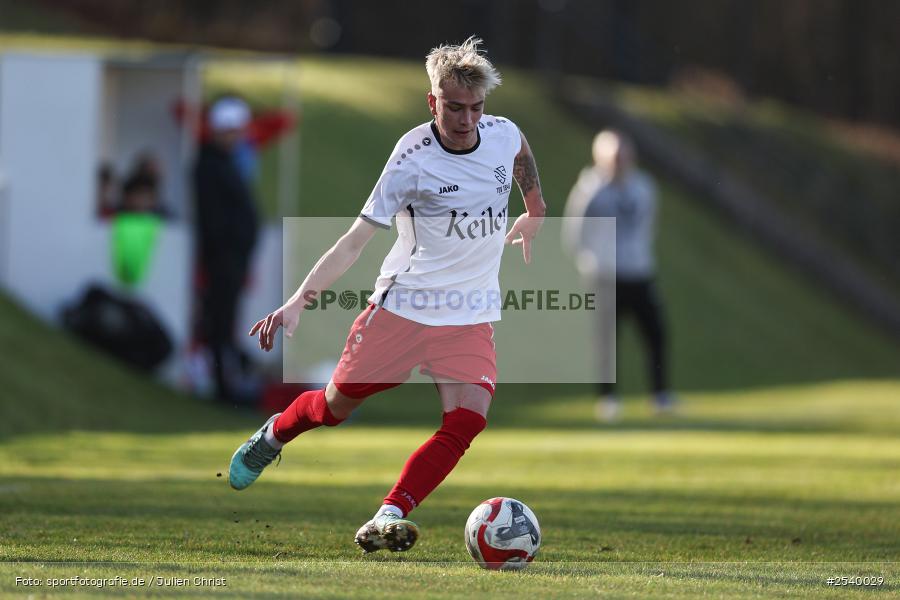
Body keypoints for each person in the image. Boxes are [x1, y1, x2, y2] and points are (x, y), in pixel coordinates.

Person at [227, 37, 546, 554]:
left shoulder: (502, 133)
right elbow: (354, 241)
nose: (467, 119)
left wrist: (535, 209)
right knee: (333, 407)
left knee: (467, 419)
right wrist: (298, 300)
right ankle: (273, 436)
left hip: (468, 315)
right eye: (454, 107)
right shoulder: (411, 158)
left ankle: (389, 513)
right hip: (402, 310)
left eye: (476, 107)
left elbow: (521, 153)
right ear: (432, 102)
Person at [563, 130, 674, 421]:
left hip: (639, 272)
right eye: (614, 156)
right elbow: (575, 233)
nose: (620, 161)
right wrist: (593, 263)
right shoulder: (590, 190)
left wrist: (638, 256)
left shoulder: (643, 187)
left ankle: (660, 395)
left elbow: (648, 226)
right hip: (605, 277)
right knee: (606, 341)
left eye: (624, 155)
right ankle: (608, 399)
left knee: (655, 333)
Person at [193, 97, 260, 402]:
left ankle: (227, 383)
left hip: (232, 258)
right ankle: (222, 388)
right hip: (223, 259)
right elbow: (214, 218)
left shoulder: (224, 163)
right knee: (219, 322)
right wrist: (228, 249)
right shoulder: (209, 165)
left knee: (226, 321)